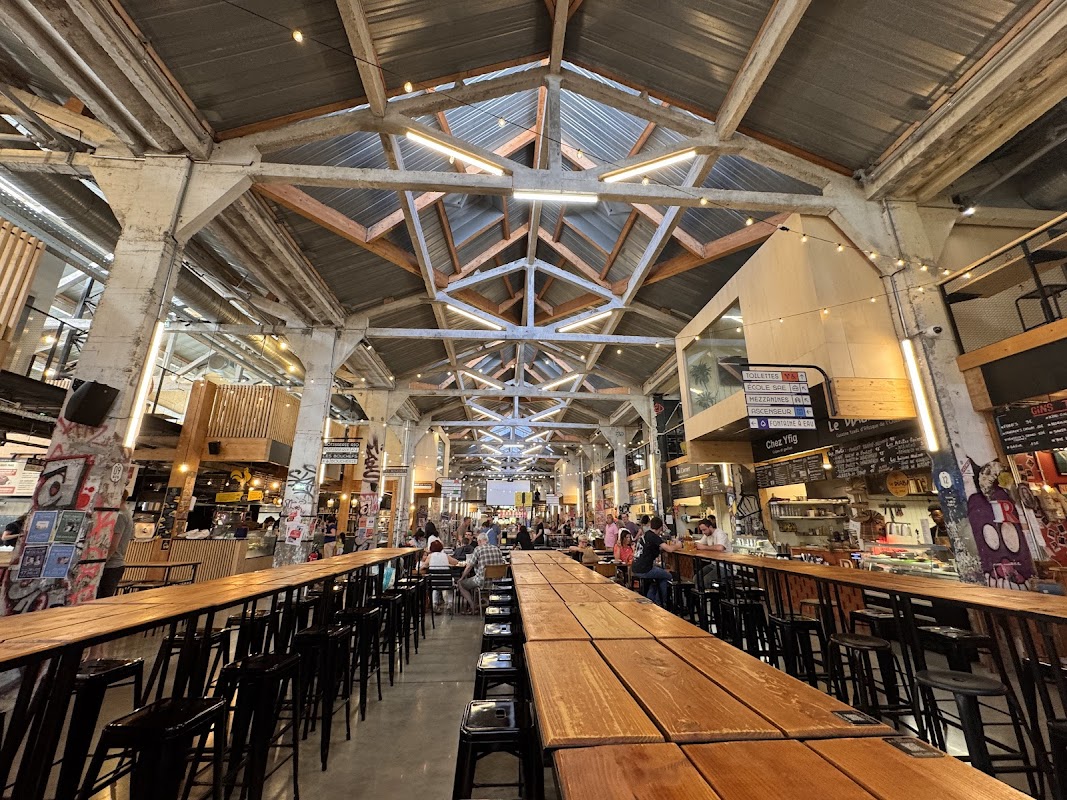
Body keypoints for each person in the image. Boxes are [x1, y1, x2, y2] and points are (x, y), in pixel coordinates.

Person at [630, 516, 681, 607]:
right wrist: (678, 545)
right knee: (668, 576)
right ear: (661, 527)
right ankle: (661, 603)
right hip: (645, 569)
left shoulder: (646, 535)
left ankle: (652, 600)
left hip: (635, 567)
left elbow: (656, 547)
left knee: (659, 577)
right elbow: (669, 549)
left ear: (650, 525)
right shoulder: (654, 536)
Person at [98, 492, 134, 598]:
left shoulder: (120, 516)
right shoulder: (127, 515)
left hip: (111, 566)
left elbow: (113, 545)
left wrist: (101, 564)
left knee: (99, 601)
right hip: (117, 565)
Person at [458, 532, 506, 612]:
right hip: (496, 582)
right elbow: (502, 563)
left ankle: (473, 605)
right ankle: (485, 602)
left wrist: (462, 577)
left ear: (480, 541)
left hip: (482, 581)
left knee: (461, 584)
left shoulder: (478, 549)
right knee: (479, 585)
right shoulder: (497, 549)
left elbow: (469, 566)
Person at [422, 540, 460, 611]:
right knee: (450, 586)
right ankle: (450, 603)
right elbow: (456, 562)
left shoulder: (430, 556)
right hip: (446, 582)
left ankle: (434, 604)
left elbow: (423, 566)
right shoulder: (445, 556)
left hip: (434, 582)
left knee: (435, 588)